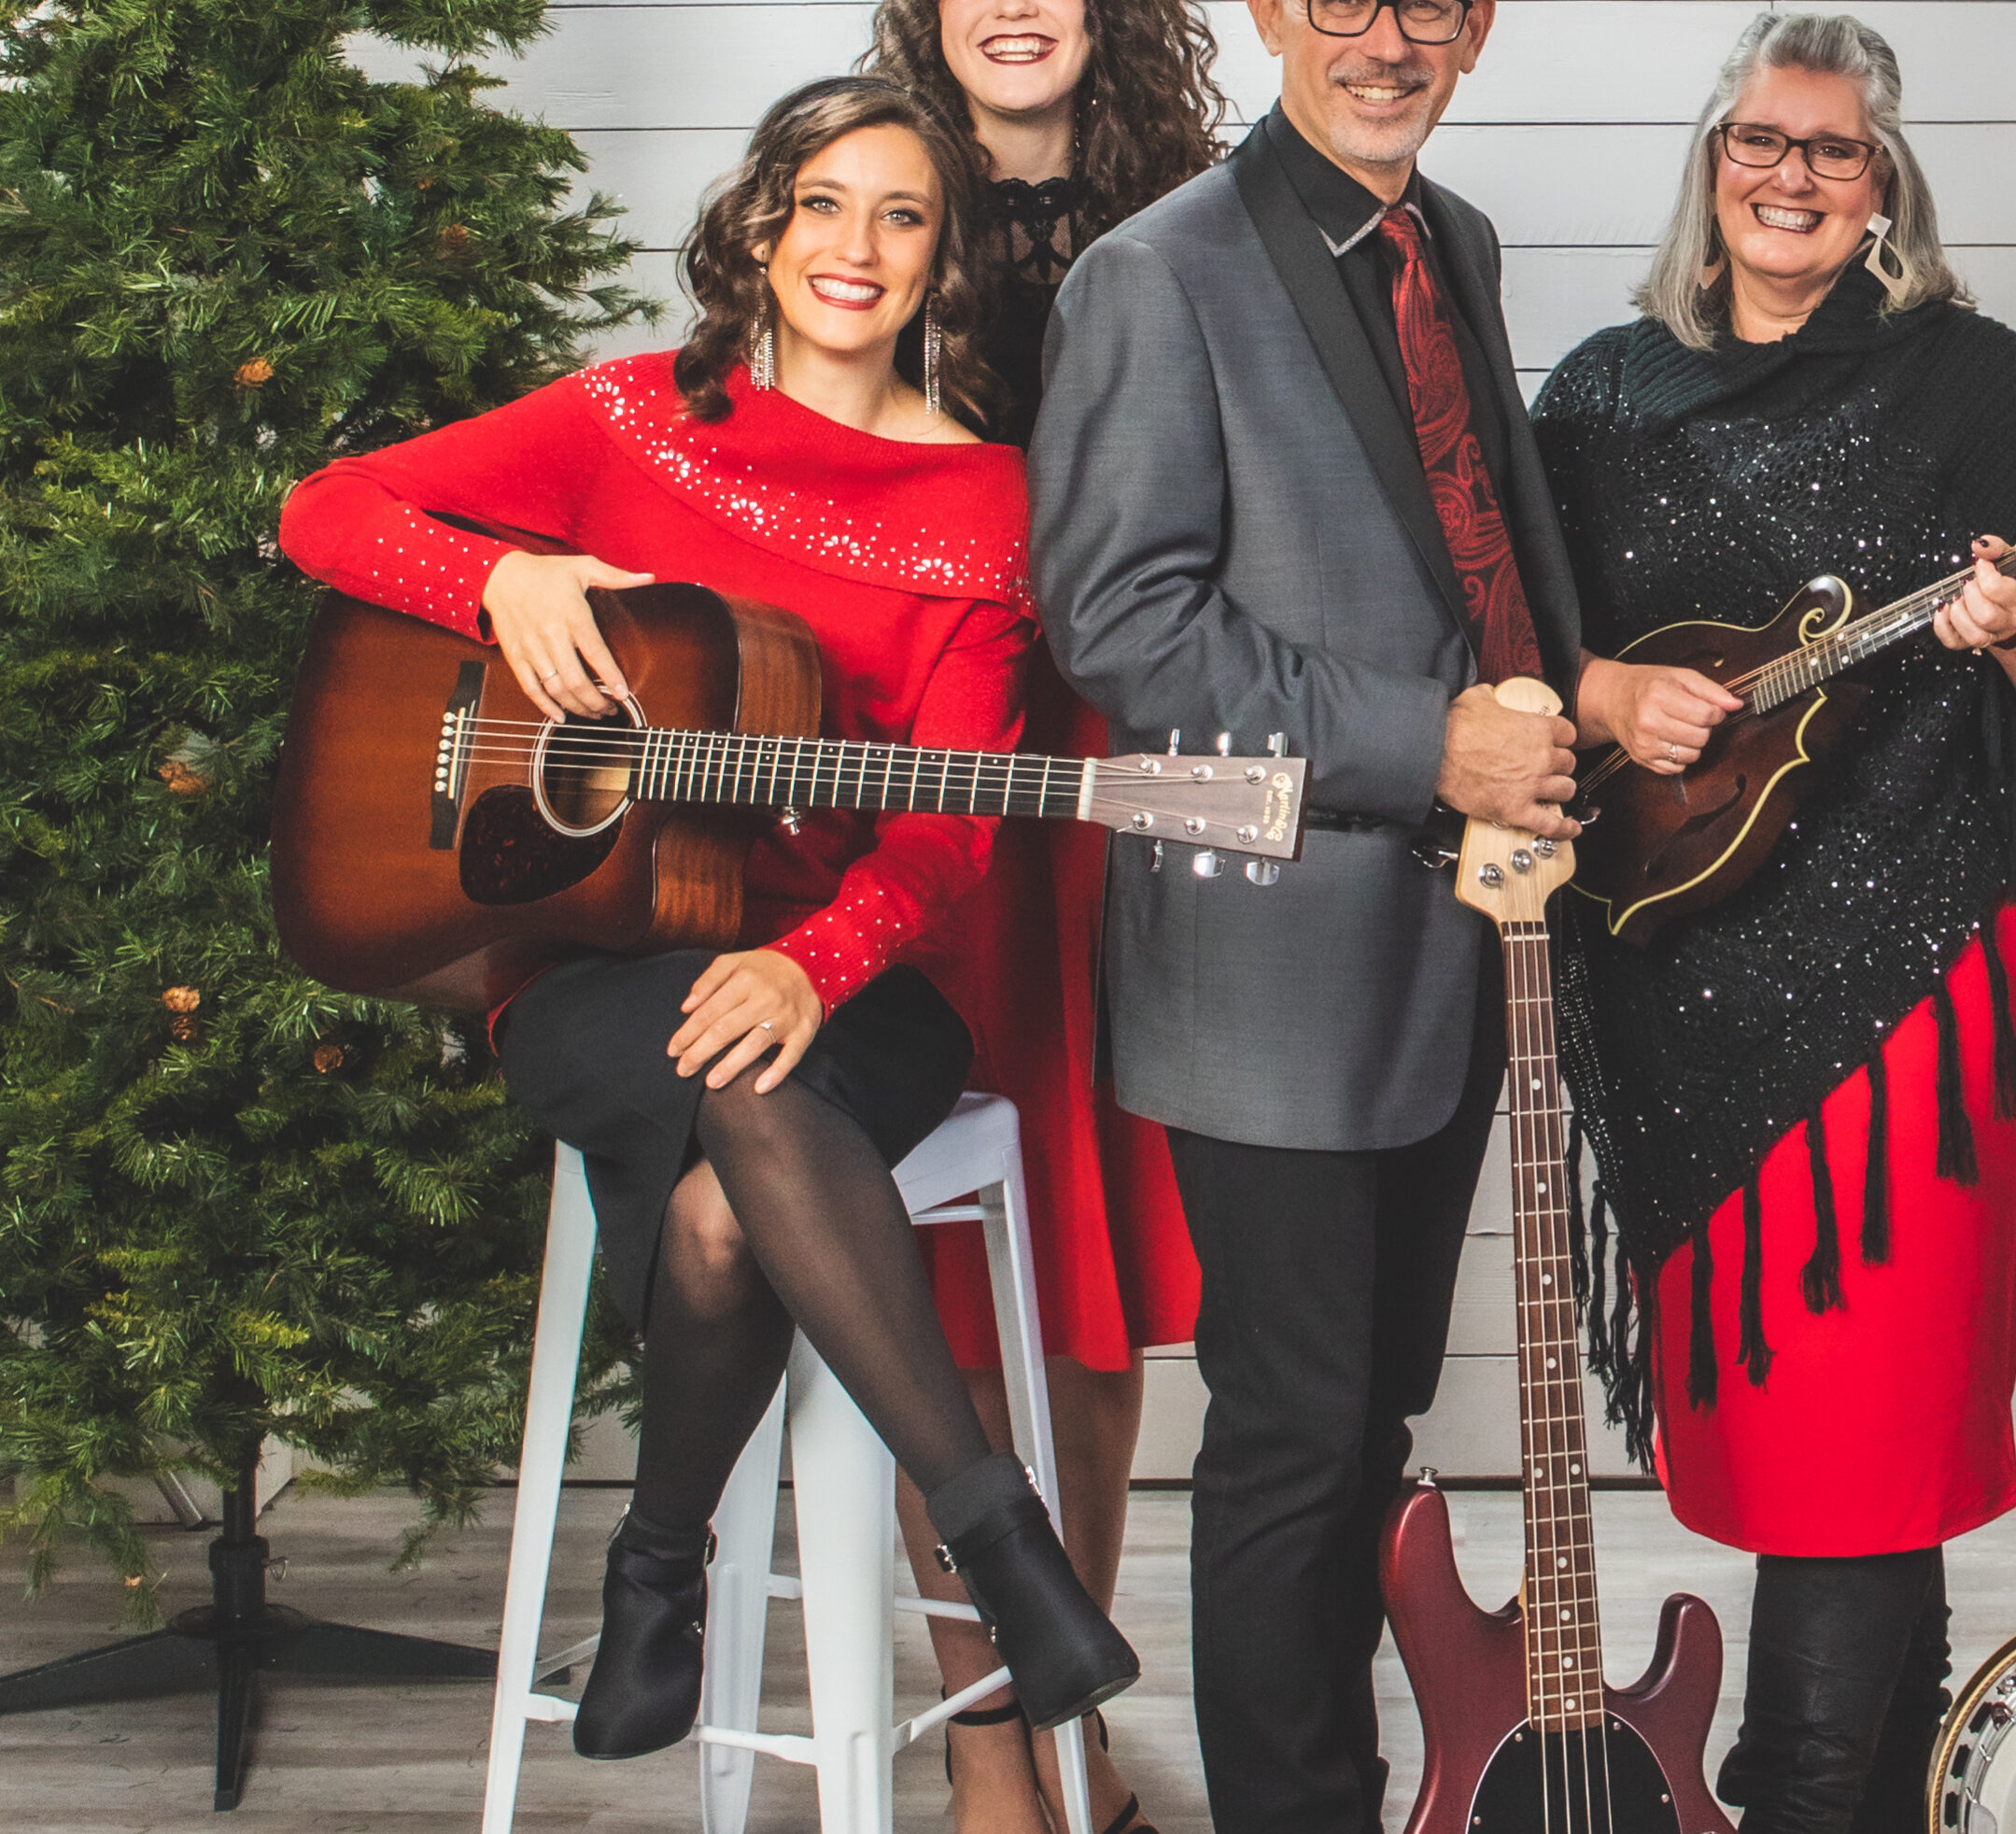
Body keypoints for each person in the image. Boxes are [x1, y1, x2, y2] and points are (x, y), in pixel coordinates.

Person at [276, 77, 1136, 1762]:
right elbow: (326, 511)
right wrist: (501, 580)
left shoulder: (988, 507)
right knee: (731, 1107)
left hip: (863, 979)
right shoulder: (621, 422)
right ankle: (1002, 1544)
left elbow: (950, 839)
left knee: (737, 1167)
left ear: (943, 261)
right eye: (824, 203)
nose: (855, 247)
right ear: (759, 225)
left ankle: (658, 1569)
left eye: (903, 216)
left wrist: (805, 962)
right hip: (593, 962)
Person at [1530, 14, 2016, 1827]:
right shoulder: (1598, 392)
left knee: (1864, 1445)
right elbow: (1505, 652)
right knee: (1811, 1460)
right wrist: (1594, 696)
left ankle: (1785, 1786)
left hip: (1918, 996)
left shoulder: (1967, 385)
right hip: (1681, 990)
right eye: (1758, 143)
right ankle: (1881, 1789)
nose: (1789, 177)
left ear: (1883, 184)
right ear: (1708, 165)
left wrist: (2012, 621)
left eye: (1831, 148)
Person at [1025, 3, 1613, 1827]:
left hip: (1458, 932)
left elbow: (1468, 548)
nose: (1386, 37)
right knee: (1291, 1435)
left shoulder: (1455, 242)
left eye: (1426, 2)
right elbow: (1119, 622)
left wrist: (1563, 707)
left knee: (1366, 1425)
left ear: (1478, 27)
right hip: (1270, 955)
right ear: (1271, 13)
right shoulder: (1156, 276)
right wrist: (1424, 740)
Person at [858, 6, 1230, 1828]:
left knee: (1090, 1269)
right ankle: (991, 1736)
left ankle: (1064, 1685)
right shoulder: (865, 184)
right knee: (936, 1283)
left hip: (1129, 768)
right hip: (926, 748)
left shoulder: (1201, 203)